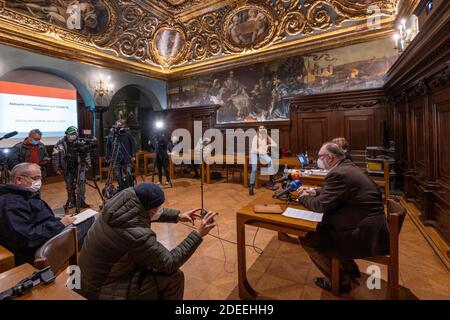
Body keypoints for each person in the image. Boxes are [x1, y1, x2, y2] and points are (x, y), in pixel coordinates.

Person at [78, 182, 217, 300]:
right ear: (151, 210)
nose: (159, 210)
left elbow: (144, 213)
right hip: (102, 291)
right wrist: (198, 234)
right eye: (157, 208)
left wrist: (178, 216)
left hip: (86, 279)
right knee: (174, 277)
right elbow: (170, 261)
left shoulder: (120, 202)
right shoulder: (137, 236)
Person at [297, 142, 389, 293]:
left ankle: (340, 281)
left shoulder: (338, 173)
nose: (318, 160)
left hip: (366, 233)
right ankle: (349, 268)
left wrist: (302, 198)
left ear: (330, 158)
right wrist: (314, 192)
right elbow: (337, 190)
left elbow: (320, 206)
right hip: (372, 225)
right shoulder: (347, 167)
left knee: (309, 238)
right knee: (323, 228)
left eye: (320, 157)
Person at [0, 163, 94, 265]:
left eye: (40, 178)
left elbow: (39, 220)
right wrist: (60, 224)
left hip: (48, 233)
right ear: (18, 179)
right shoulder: (11, 203)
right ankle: (86, 261)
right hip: (39, 247)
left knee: (88, 220)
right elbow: (26, 237)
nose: (39, 182)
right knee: (89, 222)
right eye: (35, 178)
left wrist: (59, 221)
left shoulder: (23, 194)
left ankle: (84, 259)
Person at [52, 126, 91, 210]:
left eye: (74, 134)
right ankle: (71, 202)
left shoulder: (81, 141)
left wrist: (88, 165)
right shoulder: (60, 143)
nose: (73, 135)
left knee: (81, 186)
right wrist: (57, 168)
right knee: (69, 186)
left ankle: (81, 202)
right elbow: (55, 156)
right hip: (67, 167)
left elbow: (86, 154)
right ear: (67, 134)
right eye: (71, 134)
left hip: (80, 167)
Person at [105, 119, 136, 191]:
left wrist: (133, 155)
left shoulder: (127, 133)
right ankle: (122, 189)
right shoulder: (112, 135)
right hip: (116, 158)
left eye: (120, 125)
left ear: (124, 126)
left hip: (127, 158)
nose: (119, 126)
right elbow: (108, 146)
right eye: (117, 125)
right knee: (118, 175)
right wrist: (107, 156)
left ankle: (130, 189)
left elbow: (133, 144)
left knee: (128, 174)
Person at [249, 126, 278, 196]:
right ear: (258, 130)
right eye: (260, 128)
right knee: (254, 170)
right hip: (254, 153)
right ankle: (251, 186)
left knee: (270, 161)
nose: (262, 129)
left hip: (262, 154)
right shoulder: (256, 137)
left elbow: (275, 144)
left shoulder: (266, 137)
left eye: (263, 128)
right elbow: (254, 148)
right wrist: (262, 151)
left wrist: (268, 145)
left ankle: (271, 182)